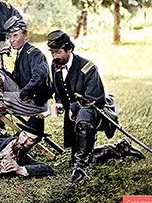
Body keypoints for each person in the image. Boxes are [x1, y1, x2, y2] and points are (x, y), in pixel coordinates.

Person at [47, 30, 110, 184]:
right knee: (83, 155)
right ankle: (119, 148)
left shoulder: (88, 68)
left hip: (92, 111)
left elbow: (96, 98)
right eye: (52, 52)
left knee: (83, 120)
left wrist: (74, 107)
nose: (55, 56)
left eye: (58, 52)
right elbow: (59, 90)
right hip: (72, 116)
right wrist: (60, 102)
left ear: (70, 49)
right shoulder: (56, 65)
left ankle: (80, 169)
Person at [0, 16, 52, 117]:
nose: (12, 40)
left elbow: (40, 77)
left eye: (15, 36)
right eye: (9, 37)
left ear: (26, 35)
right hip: (24, 93)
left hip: (34, 101)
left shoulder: (34, 53)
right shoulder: (22, 52)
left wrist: (24, 93)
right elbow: (16, 78)